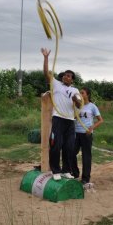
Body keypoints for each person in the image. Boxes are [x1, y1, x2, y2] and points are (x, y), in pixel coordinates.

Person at [41, 48, 81, 181]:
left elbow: (79, 105)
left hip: (70, 121)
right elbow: (46, 73)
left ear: (72, 80)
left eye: (69, 76)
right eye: (64, 75)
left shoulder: (75, 90)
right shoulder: (56, 84)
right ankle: (55, 170)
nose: (65, 76)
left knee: (69, 147)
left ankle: (66, 170)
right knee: (56, 146)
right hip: (58, 119)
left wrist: (76, 100)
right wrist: (46, 57)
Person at [71, 87, 103, 186]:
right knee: (71, 153)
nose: (80, 94)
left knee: (86, 156)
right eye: (79, 93)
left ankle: (85, 178)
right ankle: (75, 173)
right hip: (76, 133)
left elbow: (100, 120)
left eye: (82, 93)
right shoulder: (77, 106)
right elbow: (73, 117)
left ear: (87, 95)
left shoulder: (92, 106)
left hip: (86, 134)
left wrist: (91, 128)